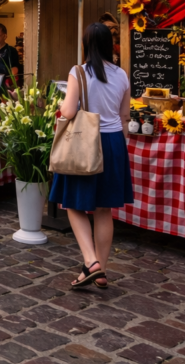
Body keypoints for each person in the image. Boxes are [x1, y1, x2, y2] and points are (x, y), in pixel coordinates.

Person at [50, 23, 133, 289]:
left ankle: (90, 262)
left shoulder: (79, 72)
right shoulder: (122, 74)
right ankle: (102, 269)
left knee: (73, 205)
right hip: (114, 143)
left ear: (86, 45)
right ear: (110, 44)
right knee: (104, 209)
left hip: (85, 142)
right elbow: (124, 117)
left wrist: (61, 107)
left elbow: (69, 111)